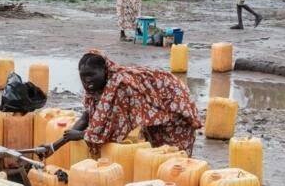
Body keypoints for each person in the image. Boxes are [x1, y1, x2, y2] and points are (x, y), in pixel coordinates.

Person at [59, 50, 202, 156]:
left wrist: (80, 135)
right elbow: (88, 117)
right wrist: (53, 146)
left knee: (174, 155)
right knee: (156, 152)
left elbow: (110, 130)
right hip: (155, 110)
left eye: (91, 75)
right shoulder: (96, 88)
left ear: (105, 70)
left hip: (174, 104)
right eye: (83, 76)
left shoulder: (120, 85)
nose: (87, 80)